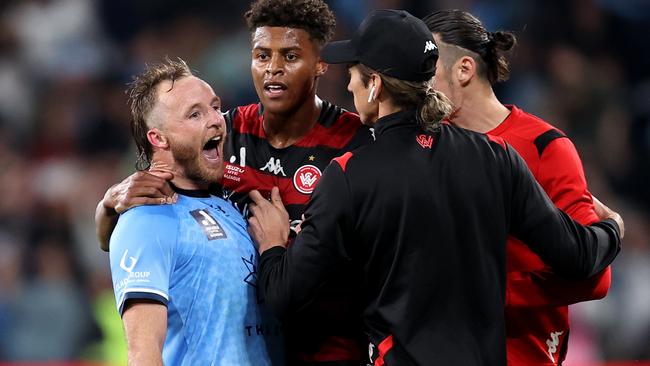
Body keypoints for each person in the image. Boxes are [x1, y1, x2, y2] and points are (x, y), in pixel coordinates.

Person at [246, 9, 624, 366]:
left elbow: (285, 295)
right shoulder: (497, 157)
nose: (347, 83)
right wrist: (612, 229)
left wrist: (274, 244)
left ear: (375, 85)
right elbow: (579, 256)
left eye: (355, 73)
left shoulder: (348, 173)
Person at [95, 1, 373, 364]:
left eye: (289, 56)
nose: (273, 69)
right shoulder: (227, 133)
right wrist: (107, 207)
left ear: (319, 64)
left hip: (334, 350)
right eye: (261, 55)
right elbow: (149, 219)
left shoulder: (356, 143)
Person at [422, 10, 611, 365]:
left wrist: (490, 292)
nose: (416, 82)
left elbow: (594, 278)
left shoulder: (544, 147)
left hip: (520, 353)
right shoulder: (422, 146)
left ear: (463, 69)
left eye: (427, 67)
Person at [107, 58, 271, 365]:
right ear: (158, 138)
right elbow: (144, 354)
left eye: (214, 106)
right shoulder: (146, 220)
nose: (216, 119)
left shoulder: (230, 205)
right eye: (195, 114)